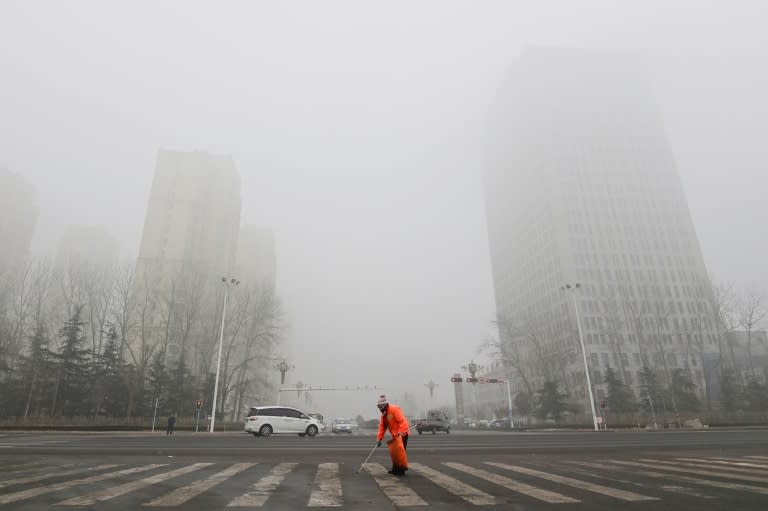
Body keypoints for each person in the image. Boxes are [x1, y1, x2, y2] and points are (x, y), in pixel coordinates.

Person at [375, 395, 410, 475]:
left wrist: (401, 431)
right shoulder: (384, 415)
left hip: (402, 434)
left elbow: (402, 421)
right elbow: (382, 427)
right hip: (395, 435)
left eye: (380, 406)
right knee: (394, 452)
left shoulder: (394, 409)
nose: (379, 408)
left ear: (385, 405)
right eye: (378, 406)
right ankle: (395, 469)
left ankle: (401, 470)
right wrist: (379, 439)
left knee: (400, 452)